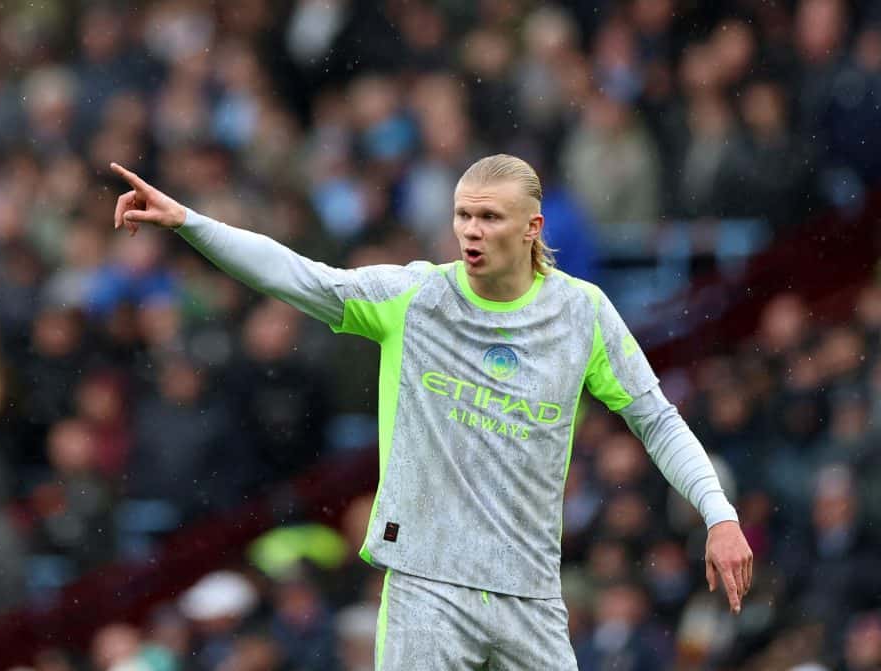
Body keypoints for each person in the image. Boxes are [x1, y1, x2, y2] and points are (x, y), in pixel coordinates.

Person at [111, 154, 753, 670]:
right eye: (463, 215)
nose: (471, 231)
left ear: (533, 228)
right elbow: (299, 278)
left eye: (490, 218)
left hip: (528, 588)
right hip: (425, 584)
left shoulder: (581, 315)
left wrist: (718, 514)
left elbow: (657, 417)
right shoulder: (415, 296)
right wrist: (191, 222)